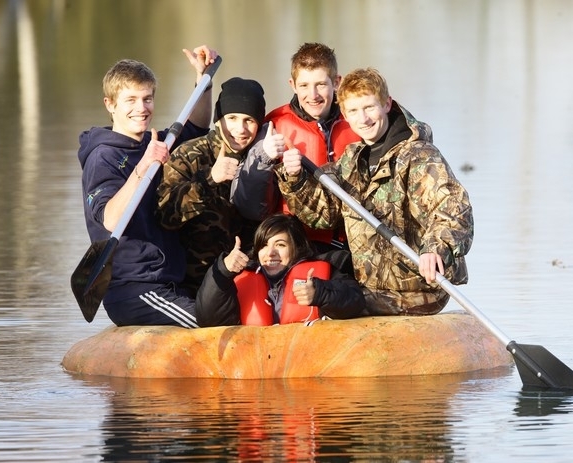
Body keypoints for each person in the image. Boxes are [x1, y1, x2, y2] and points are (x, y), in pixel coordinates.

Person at [276, 68, 473, 316]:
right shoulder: (350, 160)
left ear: (386, 104)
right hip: (371, 288)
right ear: (344, 114)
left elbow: (454, 209)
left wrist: (436, 249)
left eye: (369, 108)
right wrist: (294, 178)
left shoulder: (419, 156)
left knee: (335, 299)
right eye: (354, 111)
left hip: (418, 288)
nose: (364, 119)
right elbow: (322, 215)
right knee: (328, 296)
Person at [77, 45, 218, 328]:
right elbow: (111, 219)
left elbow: (198, 127)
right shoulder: (102, 157)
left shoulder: (156, 143)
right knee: (212, 322)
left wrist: (204, 79)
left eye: (147, 99)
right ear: (110, 104)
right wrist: (143, 167)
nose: (141, 109)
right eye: (130, 100)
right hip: (135, 289)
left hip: (171, 280)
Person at [230, 42, 360, 251]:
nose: (313, 95)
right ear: (293, 85)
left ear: (336, 82)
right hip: (296, 247)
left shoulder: (358, 119)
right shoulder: (274, 126)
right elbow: (250, 206)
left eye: (321, 84)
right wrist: (263, 157)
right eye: (304, 85)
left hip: (352, 242)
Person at [155, 77, 267, 297]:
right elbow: (165, 215)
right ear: (218, 119)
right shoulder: (190, 154)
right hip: (194, 285)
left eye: (249, 120)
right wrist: (209, 180)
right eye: (232, 118)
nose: (240, 129)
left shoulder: (263, 156)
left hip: (249, 279)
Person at [195, 213, 366, 327]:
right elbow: (208, 320)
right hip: (255, 361)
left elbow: (355, 301)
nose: (270, 253)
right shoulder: (239, 277)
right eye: (263, 246)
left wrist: (320, 294)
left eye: (280, 245)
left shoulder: (324, 273)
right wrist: (222, 271)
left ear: (296, 248)